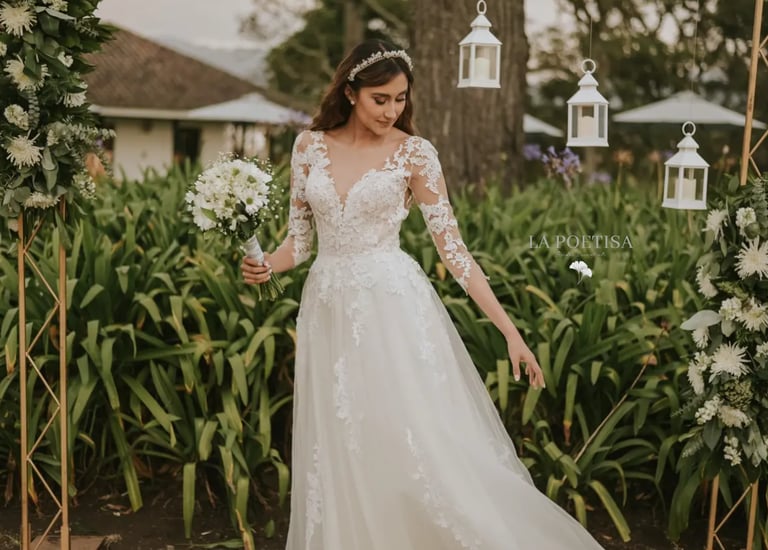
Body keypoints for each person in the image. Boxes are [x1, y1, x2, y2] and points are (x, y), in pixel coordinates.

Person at [242, 39, 604, 550]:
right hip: (327, 308)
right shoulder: (309, 147)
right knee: (345, 440)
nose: (392, 111)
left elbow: (456, 253)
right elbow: (299, 242)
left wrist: (511, 333)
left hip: (392, 309)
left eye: (400, 99)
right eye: (380, 99)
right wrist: (264, 265)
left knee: (409, 438)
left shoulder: (415, 154)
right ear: (350, 93)